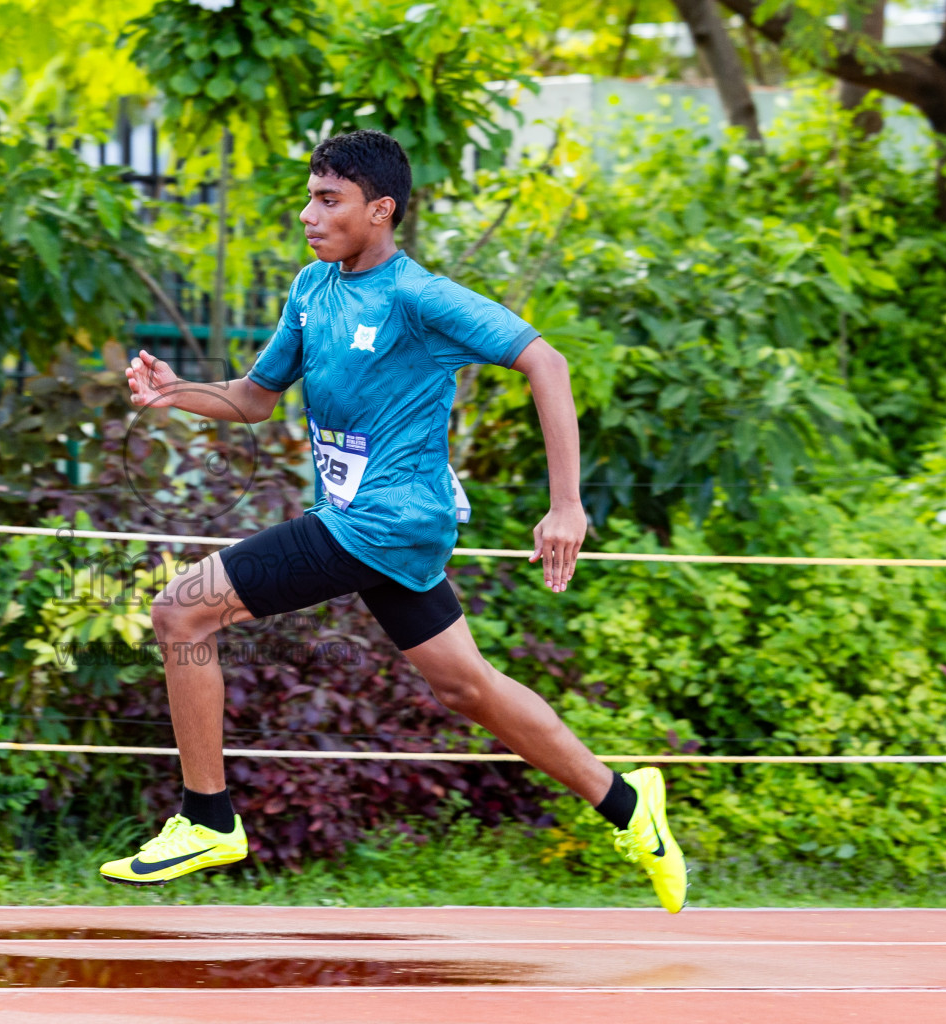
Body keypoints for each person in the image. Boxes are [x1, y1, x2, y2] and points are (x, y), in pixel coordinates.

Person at [100, 129, 685, 913]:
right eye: (309, 196)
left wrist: (566, 503)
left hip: (387, 521)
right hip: (359, 521)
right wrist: (177, 393)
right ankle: (627, 803)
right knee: (467, 687)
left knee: (182, 610)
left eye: (329, 200)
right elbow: (253, 398)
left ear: (380, 211)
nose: (309, 213)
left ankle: (208, 818)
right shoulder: (313, 288)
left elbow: (548, 362)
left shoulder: (419, 298)